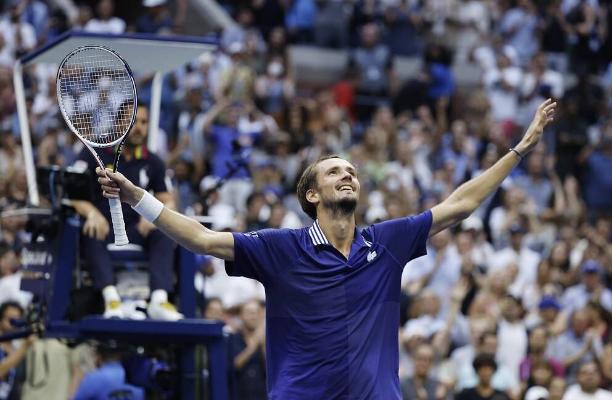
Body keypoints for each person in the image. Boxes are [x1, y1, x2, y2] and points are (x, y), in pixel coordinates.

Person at [96, 100, 556, 398]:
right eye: (335, 171)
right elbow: (200, 238)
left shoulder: (387, 243)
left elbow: (462, 204)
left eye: (351, 170)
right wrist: (138, 196)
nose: (348, 174)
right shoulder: (280, 248)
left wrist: (518, 150)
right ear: (312, 195)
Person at [72, 103, 181, 321]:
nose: (139, 128)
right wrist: (92, 214)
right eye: (134, 122)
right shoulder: (96, 153)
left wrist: (155, 217)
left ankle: (159, 300)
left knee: (163, 230)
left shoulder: (153, 161)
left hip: (136, 230)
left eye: (144, 122)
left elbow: (168, 200)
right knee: (91, 230)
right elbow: (72, 195)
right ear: (119, 123)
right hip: (104, 228)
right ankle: (111, 298)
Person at [0, 301, 35, 400]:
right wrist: (25, 347)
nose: (14, 324)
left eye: (18, 320)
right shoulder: (21, 348)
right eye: (10, 320)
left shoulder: (18, 348)